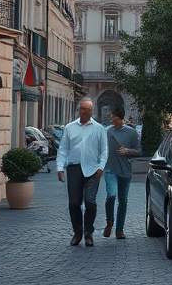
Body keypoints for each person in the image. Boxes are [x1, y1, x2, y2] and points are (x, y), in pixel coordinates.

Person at [56, 98, 108, 247]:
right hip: (74, 168)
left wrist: (101, 167)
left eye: (87, 110)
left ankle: (88, 233)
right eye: (82, 109)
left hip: (93, 169)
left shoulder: (99, 129)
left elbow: (104, 150)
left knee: (90, 202)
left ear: (92, 111)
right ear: (79, 110)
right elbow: (63, 149)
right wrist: (60, 168)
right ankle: (77, 232)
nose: (84, 112)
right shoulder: (70, 128)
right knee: (74, 203)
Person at [103, 107, 141, 240]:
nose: (113, 120)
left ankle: (119, 229)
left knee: (123, 201)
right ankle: (109, 222)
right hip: (110, 168)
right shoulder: (107, 131)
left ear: (121, 118)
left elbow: (139, 151)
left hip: (125, 170)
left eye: (115, 117)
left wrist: (127, 151)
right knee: (111, 194)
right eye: (112, 117)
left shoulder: (131, 132)